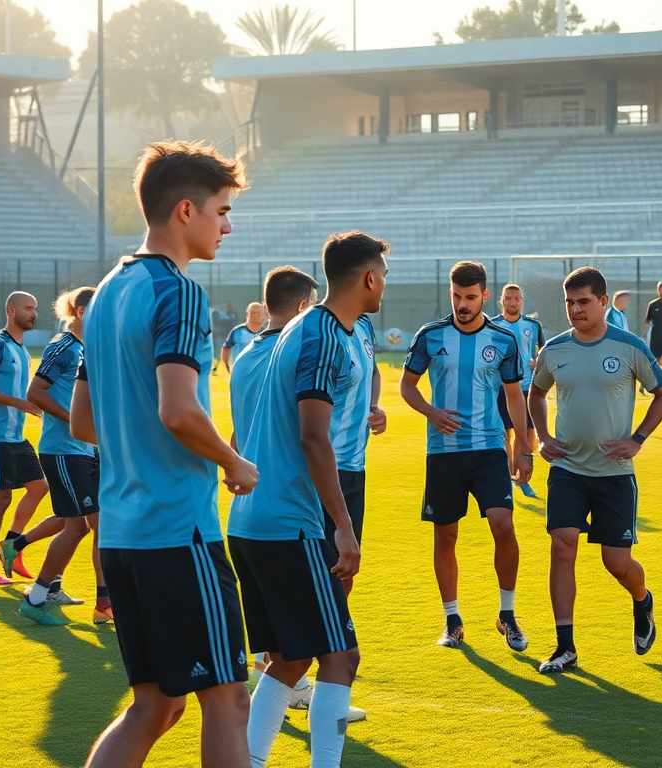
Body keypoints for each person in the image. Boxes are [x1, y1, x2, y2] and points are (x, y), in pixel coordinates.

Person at [73, 140, 256, 767]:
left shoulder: (102, 295)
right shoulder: (177, 292)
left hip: (123, 535)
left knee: (156, 706)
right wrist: (232, 462)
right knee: (228, 701)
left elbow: (82, 419)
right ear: (185, 211)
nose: (226, 225)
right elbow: (178, 409)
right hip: (177, 533)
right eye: (222, 211)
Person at [233, 232, 388, 768]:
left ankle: (248, 762)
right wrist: (342, 526)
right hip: (289, 524)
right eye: (383, 273)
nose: (384, 282)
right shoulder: (323, 334)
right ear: (368, 277)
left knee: (294, 657)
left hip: (254, 521)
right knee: (342, 658)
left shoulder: (308, 327)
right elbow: (313, 436)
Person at [529, 267, 662, 674]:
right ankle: (565, 647)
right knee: (562, 545)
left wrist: (639, 438)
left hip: (614, 473)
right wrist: (541, 436)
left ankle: (642, 601)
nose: (575, 309)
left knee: (617, 564)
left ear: (603, 302)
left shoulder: (629, 346)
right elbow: (535, 393)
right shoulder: (554, 350)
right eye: (569, 303)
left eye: (583, 302)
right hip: (568, 470)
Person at [401, 261, 533, 652]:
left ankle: (507, 614)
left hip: (489, 448)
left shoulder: (504, 340)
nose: (462, 304)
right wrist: (431, 412)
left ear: (485, 296)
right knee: (446, 535)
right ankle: (452, 619)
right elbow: (407, 386)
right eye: (456, 296)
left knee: (503, 525)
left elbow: (514, 395)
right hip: (443, 452)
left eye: (470, 297)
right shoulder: (431, 335)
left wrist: (522, 448)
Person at [226, 266, 326, 715]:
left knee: (281, 651)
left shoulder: (244, 356)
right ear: (306, 306)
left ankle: (275, 717)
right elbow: (314, 435)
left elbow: (239, 432)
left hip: (244, 519)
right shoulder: (299, 351)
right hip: (288, 515)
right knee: (335, 651)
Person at [14, 286, 111, 626]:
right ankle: (36, 596)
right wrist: (75, 420)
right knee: (76, 528)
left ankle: (104, 604)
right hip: (64, 450)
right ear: (83, 311)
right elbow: (34, 392)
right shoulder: (63, 346)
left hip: (88, 450)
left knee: (104, 526)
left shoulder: (89, 348)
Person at [0, 292, 52, 586]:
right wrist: (18, 404)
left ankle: (10, 546)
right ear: (10, 310)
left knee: (39, 486)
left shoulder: (21, 349)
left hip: (14, 436)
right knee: (2, 498)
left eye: (36, 308)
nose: (34, 313)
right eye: (28, 308)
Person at [492, 283, 546, 498]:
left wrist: (537, 361)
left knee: (529, 439)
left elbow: (543, 350)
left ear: (521, 300)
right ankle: (508, 480)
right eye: (508, 298)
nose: (512, 302)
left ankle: (522, 478)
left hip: (527, 388)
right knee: (504, 436)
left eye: (516, 298)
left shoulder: (533, 325)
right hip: (501, 388)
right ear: (501, 300)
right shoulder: (492, 325)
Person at [221, 300, 266, 371]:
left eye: (257, 313)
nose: (255, 315)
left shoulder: (268, 332)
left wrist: (227, 364)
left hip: (261, 371)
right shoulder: (237, 332)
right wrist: (227, 365)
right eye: (253, 313)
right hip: (241, 370)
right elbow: (226, 348)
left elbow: (226, 348)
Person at [212, 301, 237, 373]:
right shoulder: (222, 315)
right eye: (228, 307)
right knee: (220, 352)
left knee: (231, 353)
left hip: (230, 337)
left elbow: (235, 325)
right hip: (222, 336)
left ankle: (230, 368)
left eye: (230, 307)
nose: (229, 308)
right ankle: (216, 367)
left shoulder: (233, 315)